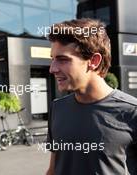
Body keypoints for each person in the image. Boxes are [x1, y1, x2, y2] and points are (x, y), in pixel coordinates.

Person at [46, 18, 137, 175]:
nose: (52, 69)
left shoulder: (132, 111)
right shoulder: (57, 108)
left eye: (62, 60)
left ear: (93, 61)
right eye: (52, 59)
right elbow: (54, 169)